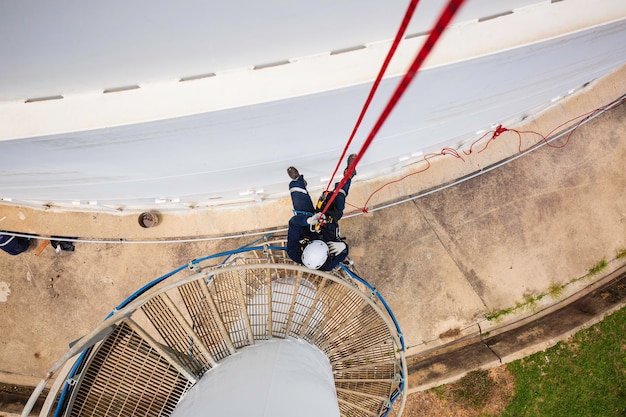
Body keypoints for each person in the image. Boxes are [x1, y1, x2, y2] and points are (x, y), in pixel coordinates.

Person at [286, 155, 356, 271]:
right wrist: (343, 247)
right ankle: (348, 176)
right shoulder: (329, 264)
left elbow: (293, 224)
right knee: (337, 203)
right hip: (327, 226)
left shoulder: (294, 252)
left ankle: (297, 181)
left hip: (307, 226)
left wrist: (307, 221)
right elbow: (343, 254)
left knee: (300, 205)